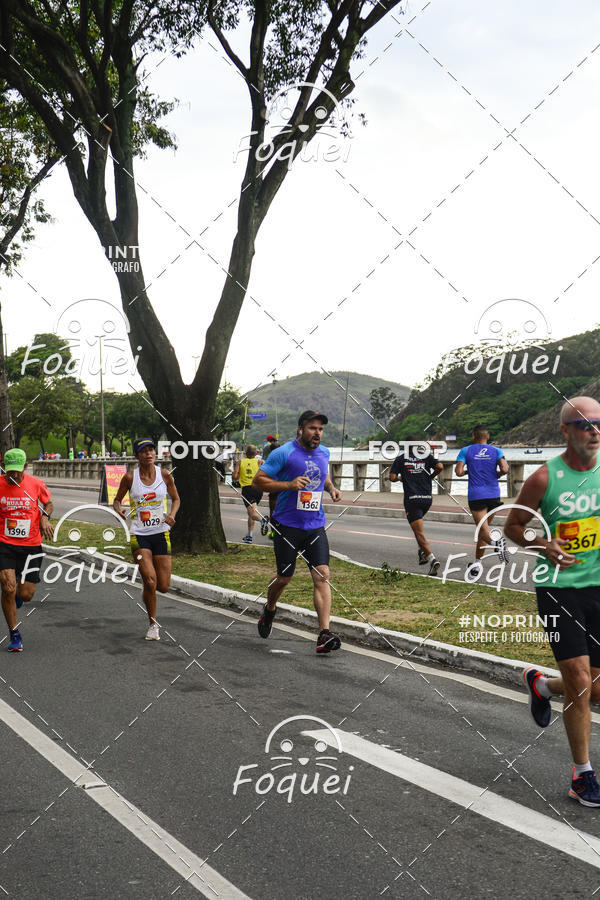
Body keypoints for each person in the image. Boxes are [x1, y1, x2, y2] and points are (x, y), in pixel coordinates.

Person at [505, 396, 600, 807]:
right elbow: (513, 526)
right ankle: (582, 775)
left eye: (599, 424)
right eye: (584, 425)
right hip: (558, 589)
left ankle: (541, 685)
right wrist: (544, 544)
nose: (594, 431)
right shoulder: (544, 479)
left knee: (594, 687)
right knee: (579, 680)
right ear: (565, 431)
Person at [252, 410, 343, 654]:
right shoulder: (283, 453)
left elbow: (322, 475)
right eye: (312, 428)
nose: (317, 433)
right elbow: (258, 482)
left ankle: (324, 634)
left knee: (322, 575)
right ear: (300, 430)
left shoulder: (324, 453)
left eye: (320, 429)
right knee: (284, 578)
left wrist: (331, 488)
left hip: (315, 525)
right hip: (287, 526)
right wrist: (288, 485)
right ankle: (270, 608)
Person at [113, 438, 180, 641]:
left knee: (163, 586)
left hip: (161, 533)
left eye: (151, 450)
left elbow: (176, 498)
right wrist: (119, 510)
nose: (148, 453)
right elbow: (117, 500)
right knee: (150, 581)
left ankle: (148, 590)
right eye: (143, 451)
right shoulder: (129, 478)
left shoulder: (164, 474)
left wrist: (172, 515)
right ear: (137, 456)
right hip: (139, 535)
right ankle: (153, 625)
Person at [0, 449, 54, 652]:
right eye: (9, 471)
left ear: (25, 466)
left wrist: (45, 518)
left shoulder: (35, 484)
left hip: (31, 545)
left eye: (17, 471)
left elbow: (48, 503)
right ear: (3, 467)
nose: (13, 475)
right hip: (4, 543)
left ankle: (16, 597)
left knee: (26, 594)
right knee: (8, 587)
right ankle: (14, 634)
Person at [454, 424, 509, 577]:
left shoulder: (466, 451)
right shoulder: (496, 451)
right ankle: (477, 565)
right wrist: (497, 475)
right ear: (488, 436)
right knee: (483, 531)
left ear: (474, 436)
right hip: (494, 495)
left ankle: (497, 544)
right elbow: (505, 469)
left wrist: (468, 471)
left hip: (477, 495)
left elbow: (458, 472)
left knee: (482, 530)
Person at [389, 436, 443, 576]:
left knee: (419, 533)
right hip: (427, 499)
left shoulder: (401, 459)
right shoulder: (426, 456)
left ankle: (432, 559)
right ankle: (422, 552)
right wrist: (431, 476)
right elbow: (440, 467)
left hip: (412, 500)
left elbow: (392, 477)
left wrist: (401, 478)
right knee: (418, 529)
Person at [232, 445, 267, 542]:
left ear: (246, 453)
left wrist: (239, 474)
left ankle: (262, 520)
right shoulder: (260, 462)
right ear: (256, 454)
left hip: (248, 489)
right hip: (259, 490)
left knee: (252, 513)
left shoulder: (240, 462)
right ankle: (249, 536)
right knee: (251, 513)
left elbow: (234, 477)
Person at [262, 437, 280, 538]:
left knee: (272, 511)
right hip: (285, 487)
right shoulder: (286, 458)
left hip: (274, 487)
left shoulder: (270, 460)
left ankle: (273, 533)